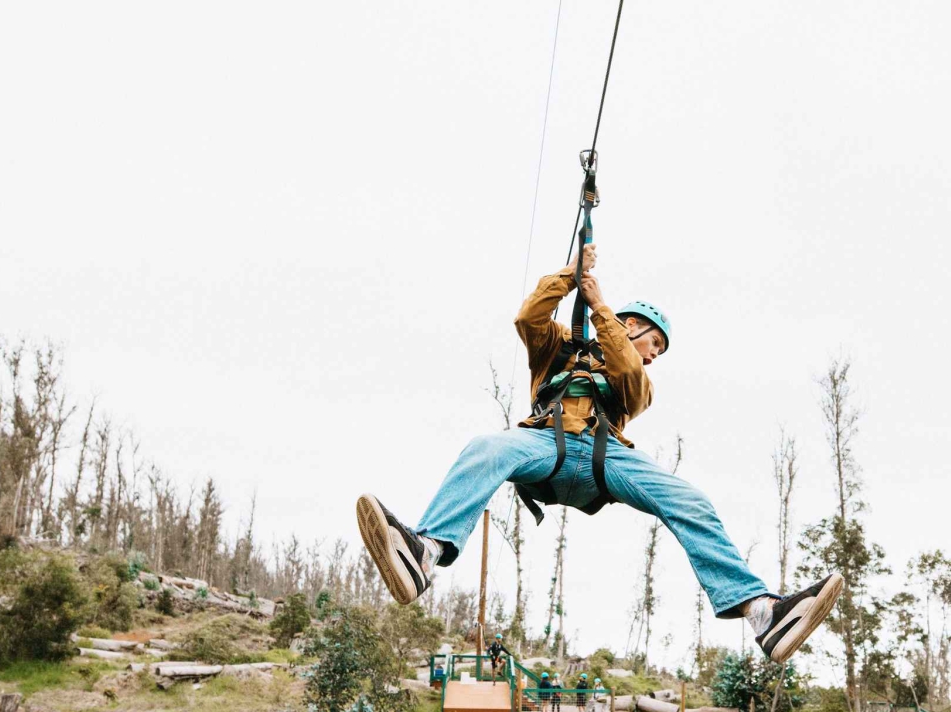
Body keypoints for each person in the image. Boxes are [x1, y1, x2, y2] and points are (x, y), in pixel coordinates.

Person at [356, 244, 843, 665]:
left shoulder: (638, 381)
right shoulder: (557, 348)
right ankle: (426, 551)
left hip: (605, 458)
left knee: (689, 500)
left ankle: (762, 612)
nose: (653, 356)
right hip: (545, 442)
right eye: (653, 342)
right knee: (486, 448)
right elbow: (528, 317)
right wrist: (571, 274)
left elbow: (628, 370)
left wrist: (598, 305)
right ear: (633, 325)